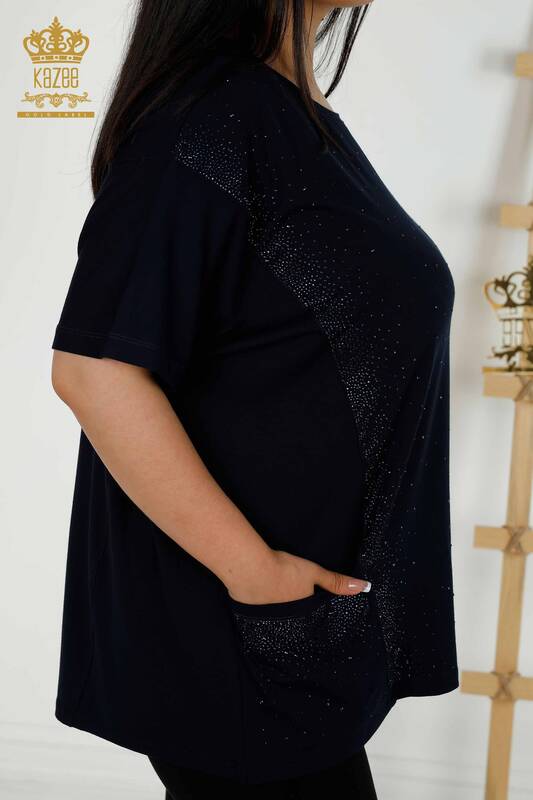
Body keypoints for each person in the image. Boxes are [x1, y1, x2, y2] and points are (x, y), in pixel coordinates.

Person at [50, 0, 460, 797]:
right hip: (238, 637)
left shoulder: (286, 116)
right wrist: (257, 576)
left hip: (296, 630)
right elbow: (94, 370)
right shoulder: (208, 119)